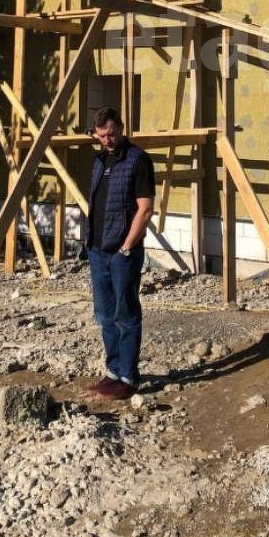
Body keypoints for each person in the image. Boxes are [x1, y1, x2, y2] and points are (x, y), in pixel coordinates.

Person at [86, 106, 155, 399]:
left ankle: (128, 376)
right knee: (104, 314)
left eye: (112, 134)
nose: (108, 140)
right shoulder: (100, 161)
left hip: (122, 253)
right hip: (98, 250)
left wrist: (127, 246)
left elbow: (145, 209)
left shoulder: (137, 159)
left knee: (125, 314)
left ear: (121, 129)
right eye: (102, 136)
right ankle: (113, 371)